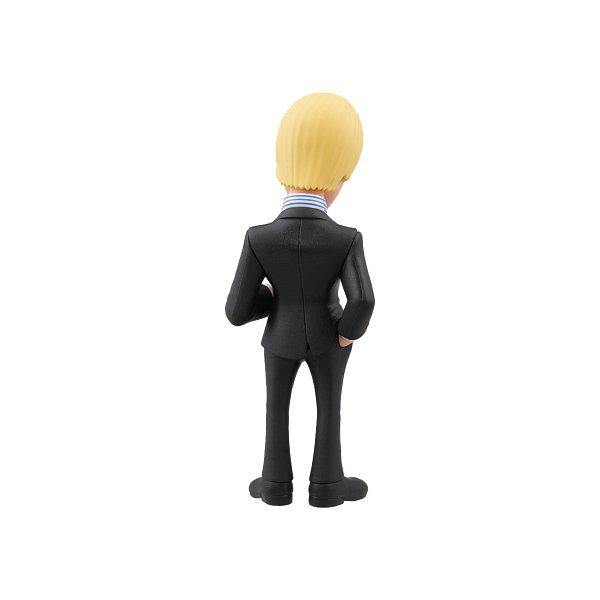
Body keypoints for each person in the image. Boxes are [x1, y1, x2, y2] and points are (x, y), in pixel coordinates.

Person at [225, 93, 375, 507]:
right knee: (330, 410)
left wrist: (272, 298)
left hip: (278, 338)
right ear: (340, 174)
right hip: (330, 338)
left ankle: (274, 484)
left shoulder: (259, 237)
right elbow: (363, 299)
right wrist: (346, 334)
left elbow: (236, 310)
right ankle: (327, 486)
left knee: (275, 410)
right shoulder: (345, 239)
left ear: (282, 165)